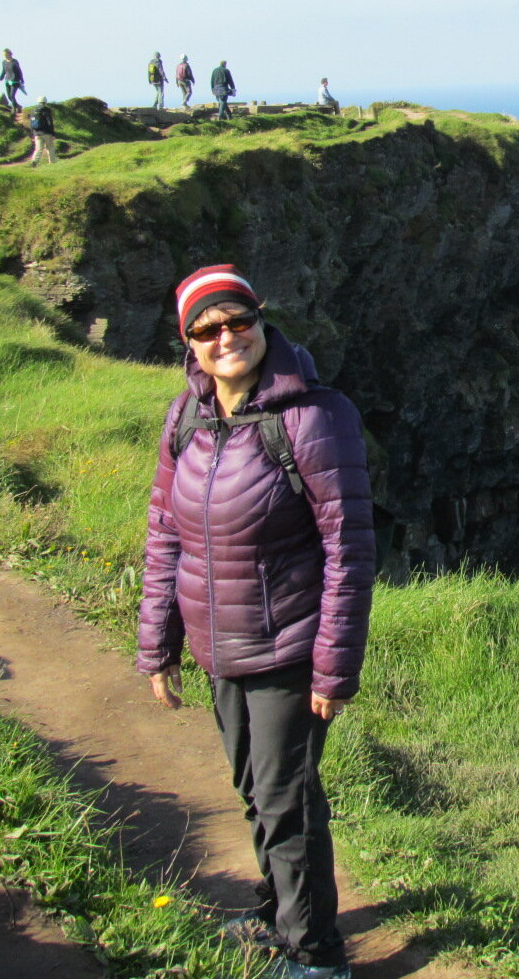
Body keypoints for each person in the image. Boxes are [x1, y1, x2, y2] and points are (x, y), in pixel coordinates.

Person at [138, 265, 373, 979]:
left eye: (237, 320)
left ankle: (316, 956)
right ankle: (277, 916)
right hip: (220, 647)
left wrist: (333, 668)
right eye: (206, 330)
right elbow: (165, 534)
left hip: (288, 648)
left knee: (287, 801)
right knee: (256, 793)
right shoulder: (186, 417)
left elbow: (349, 550)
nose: (226, 338)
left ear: (261, 319)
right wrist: (158, 645)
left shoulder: (314, 416)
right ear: (188, 341)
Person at [28, 97, 57, 165]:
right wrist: (53, 134)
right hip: (46, 133)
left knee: (38, 149)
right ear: (45, 102)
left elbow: (31, 123)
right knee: (50, 148)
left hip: (36, 133)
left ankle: (34, 162)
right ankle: (52, 163)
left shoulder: (33, 110)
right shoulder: (46, 110)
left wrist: (32, 134)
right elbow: (50, 122)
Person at [0, 49, 25, 114]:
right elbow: (3, 71)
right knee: (9, 96)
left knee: (12, 95)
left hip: (15, 80)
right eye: (4, 55)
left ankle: (14, 109)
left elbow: (19, 71)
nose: (5, 56)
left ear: (9, 54)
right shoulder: (3, 62)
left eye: (5, 54)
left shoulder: (15, 62)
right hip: (7, 80)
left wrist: (22, 79)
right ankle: (18, 106)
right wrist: (0, 77)